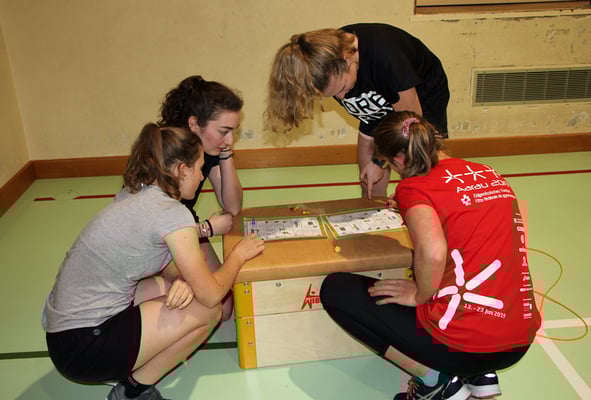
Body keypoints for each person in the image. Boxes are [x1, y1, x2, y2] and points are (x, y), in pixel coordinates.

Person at [320, 111, 541, 400]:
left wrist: (419, 295)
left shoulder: (414, 186)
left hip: (468, 346)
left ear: (400, 160)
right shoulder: (488, 173)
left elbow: (434, 253)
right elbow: (466, 222)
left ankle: (435, 380)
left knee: (337, 290)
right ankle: (479, 375)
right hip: (518, 339)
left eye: (390, 165)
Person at [41, 123, 264, 400]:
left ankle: (127, 361)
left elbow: (160, 259)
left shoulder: (135, 193)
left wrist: (182, 279)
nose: (200, 177)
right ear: (182, 170)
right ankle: (133, 390)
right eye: (199, 168)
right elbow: (211, 294)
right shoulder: (172, 214)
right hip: (85, 349)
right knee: (210, 311)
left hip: (63, 336)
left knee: (174, 290)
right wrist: (238, 256)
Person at [266, 23, 449, 199]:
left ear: (347, 60)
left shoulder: (386, 56)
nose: (343, 98)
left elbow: (409, 129)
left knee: (420, 166)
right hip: (378, 91)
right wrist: (374, 162)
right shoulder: (324, 58)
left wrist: (379, 161)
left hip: (421, 98)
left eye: (342, 88)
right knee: (369, 178)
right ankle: (376, 211)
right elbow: (370, 121)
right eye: (334, 95)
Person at [159, 75, 243, 321]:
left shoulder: (207, 147)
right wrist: (206, 229)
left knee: (224, 307)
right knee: (209, 304)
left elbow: (232, 206)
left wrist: (225, 154)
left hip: (186, 226)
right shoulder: (165, 152)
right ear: (194, 124)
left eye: (233, 132)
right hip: (162, 237)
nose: (229, 140)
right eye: (223, 132)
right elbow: (154, 232)